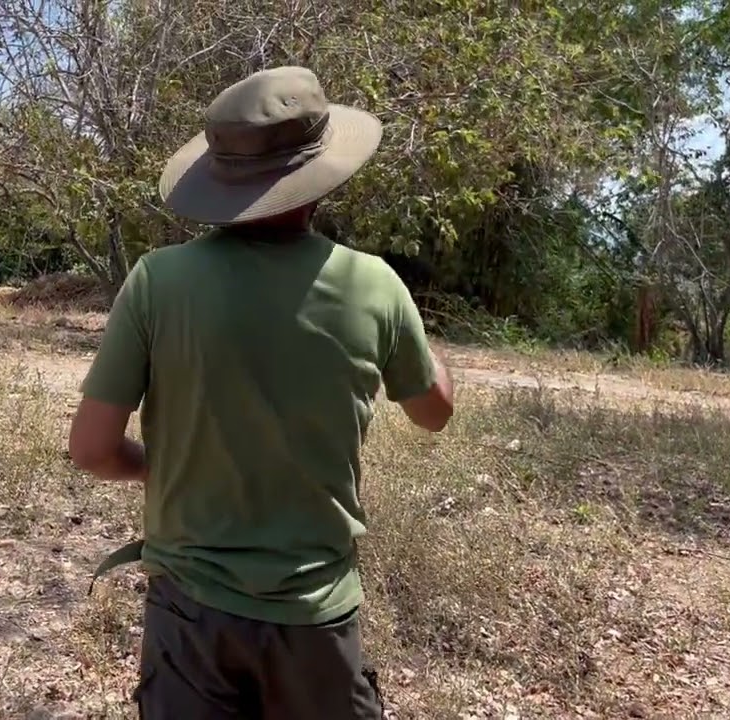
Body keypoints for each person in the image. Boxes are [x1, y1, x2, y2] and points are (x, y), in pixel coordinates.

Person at [67, 66, 455, 720]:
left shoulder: (157, 282)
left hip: (188, 618)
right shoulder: (376, 285)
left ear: (221, 180)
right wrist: (420, 341)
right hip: (315, 617)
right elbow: (434, 412)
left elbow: (92, 449)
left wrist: (162, 469)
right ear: (321, 174)